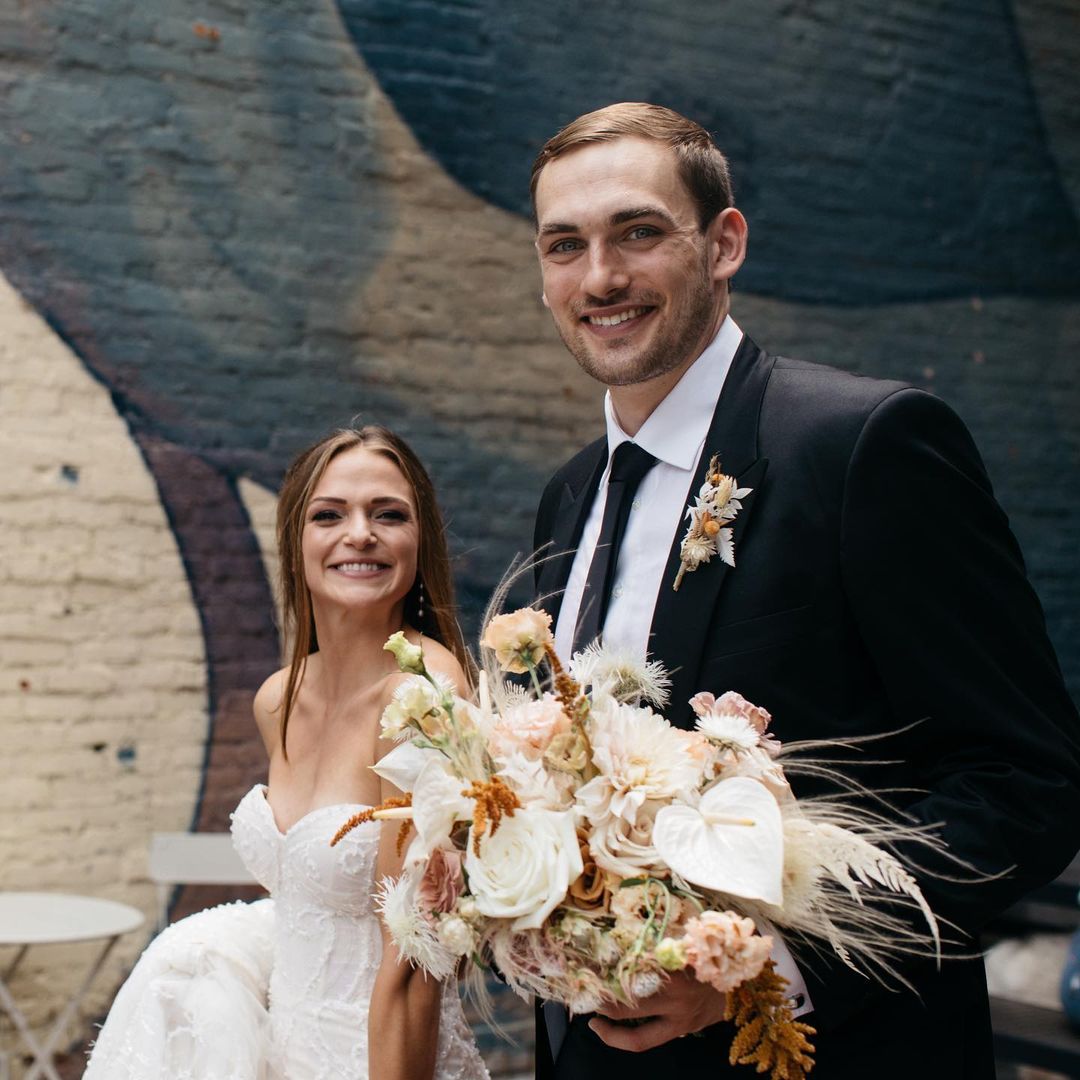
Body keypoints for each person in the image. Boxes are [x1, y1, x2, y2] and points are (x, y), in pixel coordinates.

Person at [529, 102, 1080, 1079]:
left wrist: (761, 971)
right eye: (565, 245)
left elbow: (1025, 784)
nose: (600, 277)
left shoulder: (865, 446)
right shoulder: (570, 496)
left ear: (724, 244)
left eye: (638, 232)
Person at [86, 425, 490, 1080]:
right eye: (329, 515)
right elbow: (307, 906)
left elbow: (415, 962)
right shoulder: (278, 700)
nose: (360, 534)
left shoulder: (423, 698)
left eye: (388, 515)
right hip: (282, 1054)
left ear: (420, 543)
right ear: (295, 542)